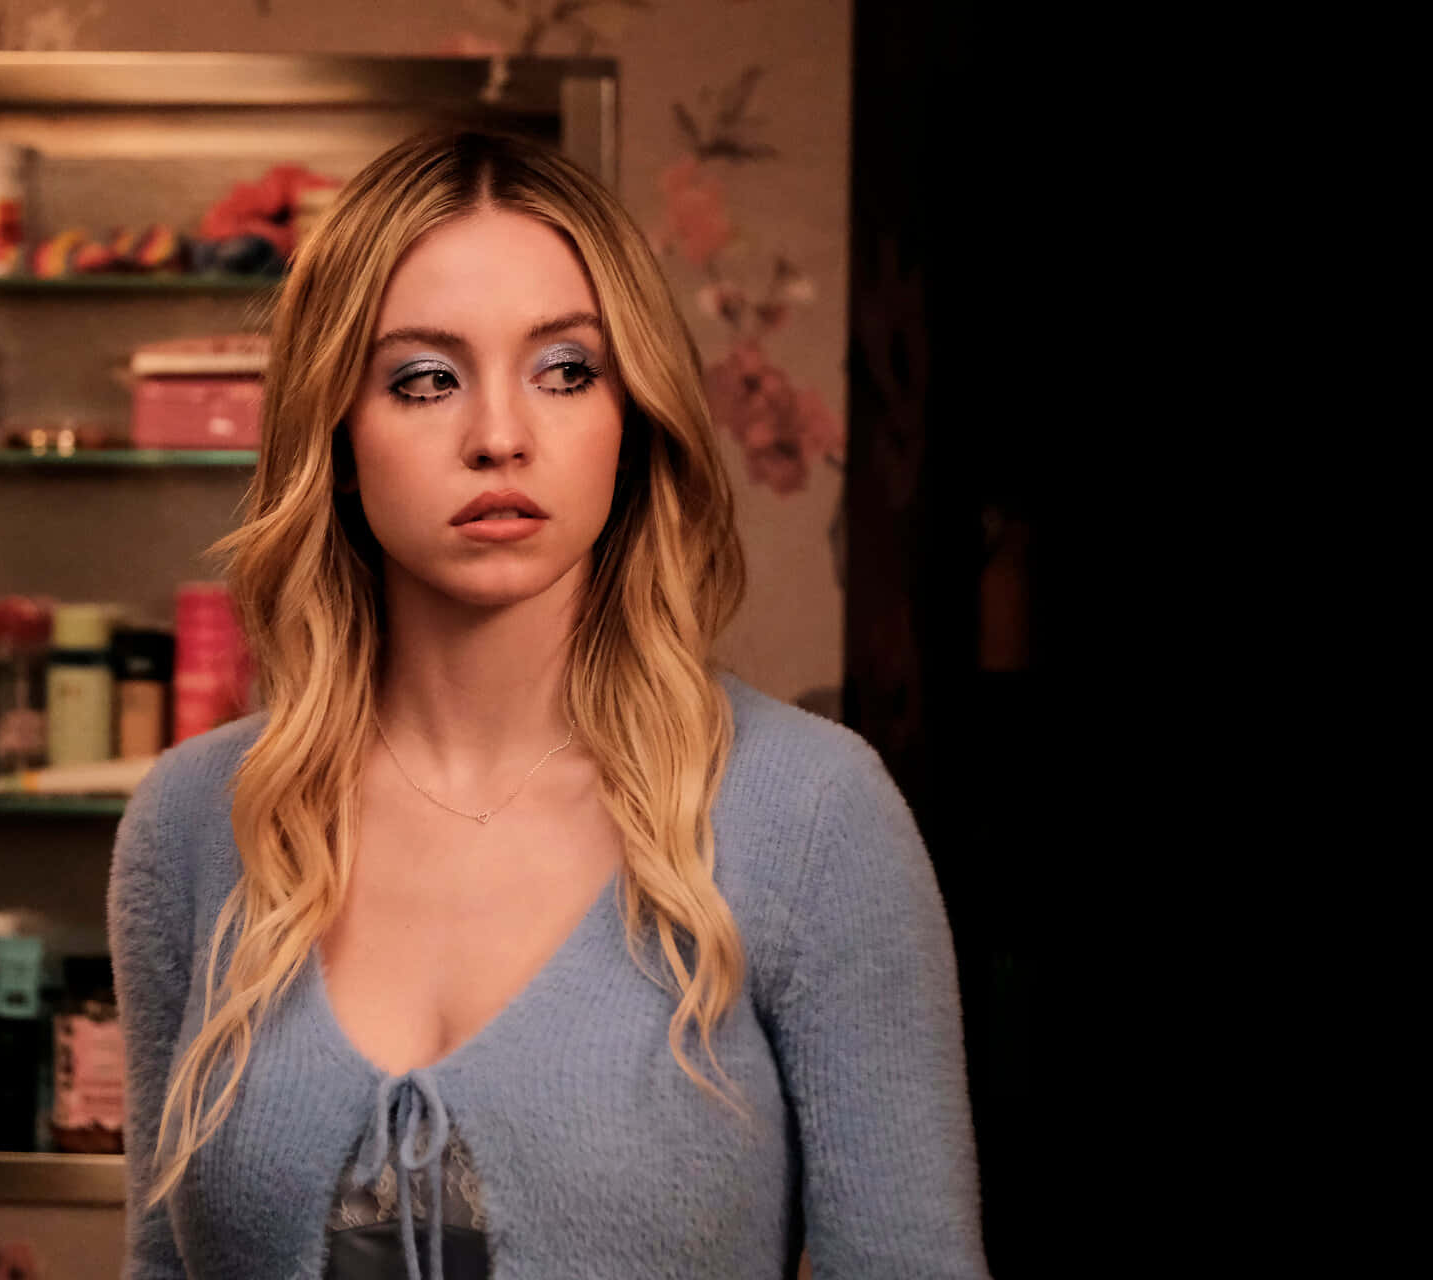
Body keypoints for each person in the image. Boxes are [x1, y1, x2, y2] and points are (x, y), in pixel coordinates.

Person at [107, 128, 989, 1280]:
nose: (500, 436)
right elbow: (162, 1264)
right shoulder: (194, 821)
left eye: (565, 370)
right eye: (425, 379)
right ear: (338, 430)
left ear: (632, 418)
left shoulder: (813, 816)